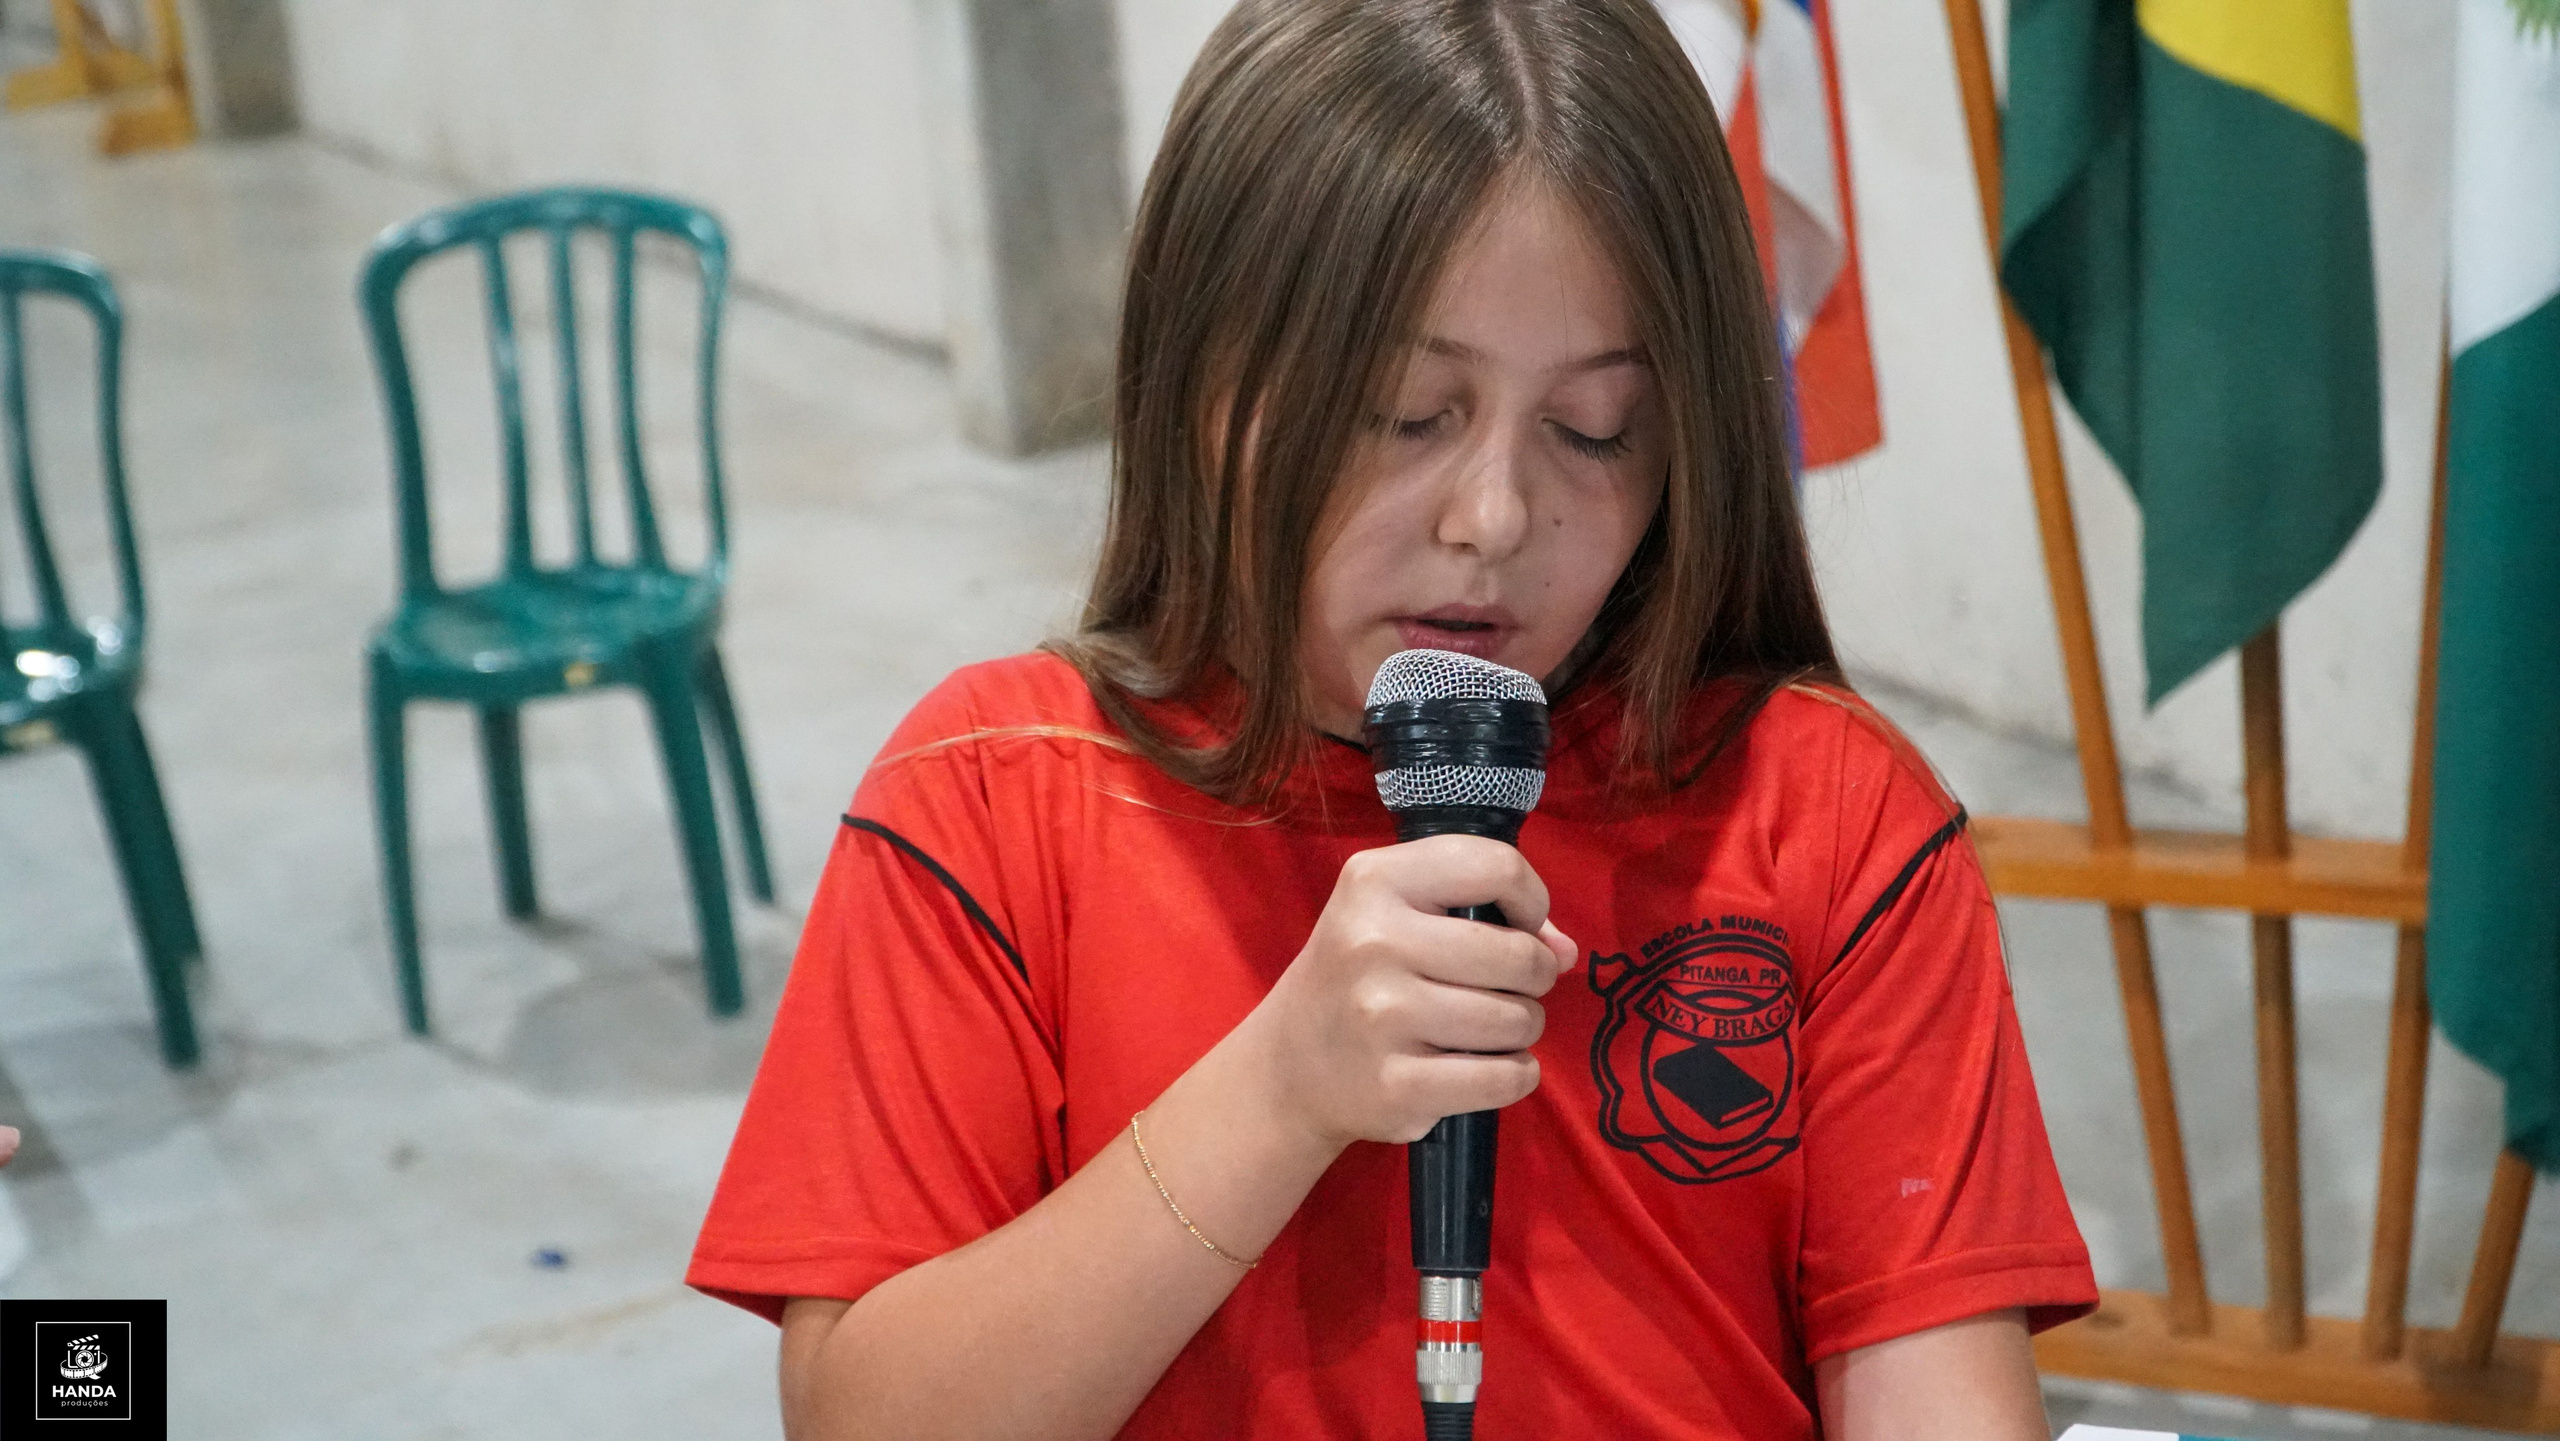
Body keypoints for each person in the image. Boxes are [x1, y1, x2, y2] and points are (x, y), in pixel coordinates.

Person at [687, 1, 2096, 1436]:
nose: (1494, 520)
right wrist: (1277, 1096)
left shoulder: (1823, 814)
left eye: (1595, 430)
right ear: (1203, 387)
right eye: (1405, 411)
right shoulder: (992, 801)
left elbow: (1942, 1393)